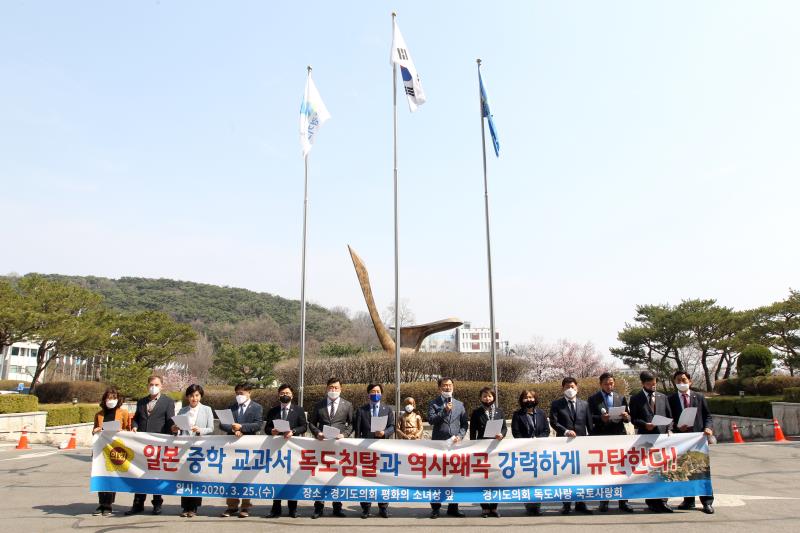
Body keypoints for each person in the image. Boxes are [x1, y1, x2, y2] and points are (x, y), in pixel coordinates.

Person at [126, 375, 176, 516]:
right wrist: (134, 426)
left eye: (156, 384)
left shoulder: (167, 402)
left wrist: (173, 429)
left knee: (156, 475)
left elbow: (170, 420)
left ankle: (157, 503)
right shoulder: (141, 401)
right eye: (151, 384)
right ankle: (138, 503)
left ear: (161, 386)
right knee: (139, 473)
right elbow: (136, 418)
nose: (153, 386)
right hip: (141, 444)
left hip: (158, 444)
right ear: (147, 385)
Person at [668, 370, 715, 514]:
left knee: (701, 470)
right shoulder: (670, 399)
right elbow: (669, 419)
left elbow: (708, 416)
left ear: (690, 381)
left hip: (697, 440)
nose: (681, 383)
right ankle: (688, 500)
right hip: (680, 439)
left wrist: (708, 428)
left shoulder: (699, 397)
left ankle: (706, 502)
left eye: (684, 380)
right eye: (678, 381)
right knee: (684, 470)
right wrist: (675, 427)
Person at [587, 372, 634, 513]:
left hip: (619, 436)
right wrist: (601, 419)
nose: (609, 386)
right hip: (602, 437)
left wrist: (626, 417)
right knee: (604, 470)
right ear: (601, 384)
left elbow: (629, 417)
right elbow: (589, 417)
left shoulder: (620, 397)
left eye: (611, 383)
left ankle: (623, 502)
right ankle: (604, 502)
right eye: (606, 383)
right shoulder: (593, 399)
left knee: (622, 469)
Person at [308, 377, 354, 519]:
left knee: (337, 476)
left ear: (341, 389)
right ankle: (318, 508)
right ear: (326, 388)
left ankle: (337, 507)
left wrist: (344, 434)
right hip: (322, 446)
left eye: (336, 388)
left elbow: (352, 424)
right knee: (320, 476)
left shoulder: (347, 405)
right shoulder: (319, 405)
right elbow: (311, 422)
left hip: (338, 447)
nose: (333, 390)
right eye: (331, 388)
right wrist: (317, 433)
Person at [629, 370, 674, 513]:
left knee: (663, 470)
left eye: (654, 383)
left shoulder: (662, 397)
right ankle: (651, 502)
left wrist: (670, 429)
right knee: (649, 471)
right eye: (649, 384)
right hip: (646, 439)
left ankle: (663, 501)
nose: (653, 386)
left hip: (662, 439)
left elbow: (669, 416)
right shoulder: (636, 399)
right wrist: (644, 424)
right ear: (643, 383)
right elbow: (634, 419)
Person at [549, 377, 593, 515]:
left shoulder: (584, 404)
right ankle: (566, 504)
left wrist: (593, 440)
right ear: (563, 389)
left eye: (573, 386)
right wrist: (566, 431)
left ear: (577, 388)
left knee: (582, 474)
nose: (570, 389)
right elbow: (554, 422)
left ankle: (581, 503)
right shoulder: (556, 404)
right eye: (567, 387)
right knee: (565, 474)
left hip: (581, 445)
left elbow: (589, 424)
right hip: (564, 444)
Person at [219, 382, 263, 518]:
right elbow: (222, 424)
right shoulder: (231, 407)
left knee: (246, 477)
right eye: (237, 393)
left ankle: (245, 506)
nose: (239, 395)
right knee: (231, 476)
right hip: (231, 447)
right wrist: (233, 429)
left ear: (249, 393)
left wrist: (241, 428)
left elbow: (258, 424)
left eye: (242, 393)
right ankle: (231, 506)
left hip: (248, 447)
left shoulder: (257, 407)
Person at [427, 376, 468, 519]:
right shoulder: (434, 403)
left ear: (453, 387)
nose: (447, 388)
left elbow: (464, 424)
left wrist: (461, 436)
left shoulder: (460, 404)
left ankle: (453, 507)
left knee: (455, 477)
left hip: (455, 446)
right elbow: (431, 420)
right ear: (439, 388)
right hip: (439, 445)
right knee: (437, 477)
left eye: (450, 385)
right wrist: (444, 411)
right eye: (444, 385)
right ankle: (436, 508)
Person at [265, 384, 308, 519]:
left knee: (292, 479)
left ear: (292, 395)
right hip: (277, 451)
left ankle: (292, 509)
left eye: (287, 393)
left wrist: (293, 431)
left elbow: (304, 427)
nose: (285, 395)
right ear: (278, 395)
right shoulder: (273, 411)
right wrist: (271, 431)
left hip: (292, 450)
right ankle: (275, 508)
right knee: (277, 478)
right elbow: (266, 428)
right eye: (282, 393)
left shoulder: (299, 410)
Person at [171, 384, 214, 517]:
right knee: (184, 476)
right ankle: (185, 507)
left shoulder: (207, 409)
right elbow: (177, 428)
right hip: (184, 447)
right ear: (187, 397)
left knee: (196, 476)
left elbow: (211, 428)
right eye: (191, 396)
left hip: (199, 447)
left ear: (200, 396)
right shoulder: (183, 410)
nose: (194, 398)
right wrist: (174, 429)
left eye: (196, 395)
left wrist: (200, 430)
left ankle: (194, 507)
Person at [354, 383, 396, 518]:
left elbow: (393, 427)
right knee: (364, 479)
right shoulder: (361, 410)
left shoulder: (387, 409)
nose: (375, 393)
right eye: (373, 391)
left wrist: (384, 432)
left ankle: (383, 507)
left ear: (381, 394)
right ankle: (365, 508)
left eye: (378, 391)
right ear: (368, 394)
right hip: (366, 451)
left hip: (382, 449)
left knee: (382, 479)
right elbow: (358, 431)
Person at [92, 387, 131, 516]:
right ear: (104, 399)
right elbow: (94, 430)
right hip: (101, 449)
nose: (111, 400)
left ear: (118, 400)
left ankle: (108, 504)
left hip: (116, 449)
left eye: (114, 398)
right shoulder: (99, 414)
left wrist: (122, 432)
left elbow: (129, 431)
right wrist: (96, 430)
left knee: (111, 477)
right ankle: (101, 503)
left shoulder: (123, 413)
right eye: (109, 398)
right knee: (100, 475)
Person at [469, 386, 507, 518]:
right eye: (484, 396)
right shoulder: (476, 412)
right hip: (481, 448)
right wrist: (473, 446)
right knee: (482, 478)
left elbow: (504, 428)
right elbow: (473, 432)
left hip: (495, 448)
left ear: (494, 397)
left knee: (495, 478)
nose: (487, 398)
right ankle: (485, 507)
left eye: (490, 396)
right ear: (480, 398)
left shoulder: (499, 411)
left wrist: (501, 435)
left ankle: (494, 507)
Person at [511, 389, 550, 516]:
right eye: (526, 397)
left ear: (535, 399)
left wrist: (538, 440)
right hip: (524, 452)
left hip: (539, 451)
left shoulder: (541, 413)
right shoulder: (517, 414)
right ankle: (528, 505)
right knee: (527, 479)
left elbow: (546, 430)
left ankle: (537, 506)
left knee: (538, 479)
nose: (529, 400)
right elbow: (515, 432)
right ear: (522, 400)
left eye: (531, 397)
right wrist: (526, 442)